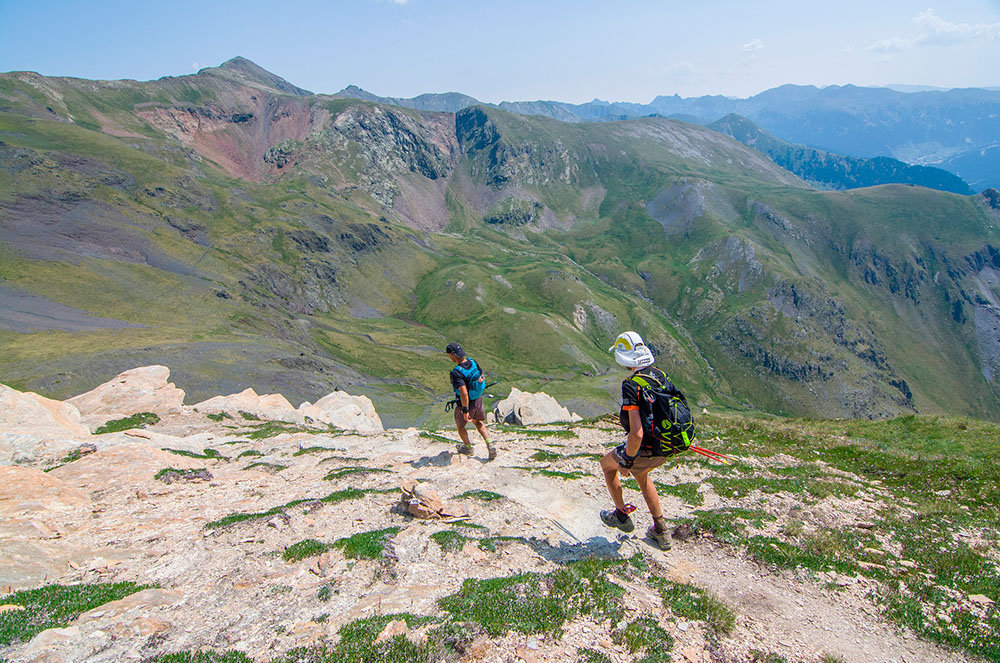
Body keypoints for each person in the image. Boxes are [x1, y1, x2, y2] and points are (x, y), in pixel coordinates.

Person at [599, 331, 676, 550]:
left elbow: (637, 434)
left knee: (607, 466)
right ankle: (661, 531)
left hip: (648, 447)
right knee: (642, 475)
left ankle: (621, 515)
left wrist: (627, 461)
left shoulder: (632, 385)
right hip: (667, 445)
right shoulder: (659, 374)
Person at [445, 342, 496, 460]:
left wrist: (465, 409)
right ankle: (490, 444)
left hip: (466, 403)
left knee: (460, 426)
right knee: (478, 422)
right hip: (478, 399)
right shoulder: (473, 362)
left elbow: (463, 392)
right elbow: (481, 376)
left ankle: (468, 448)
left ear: (452, 355)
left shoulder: (456, 372)